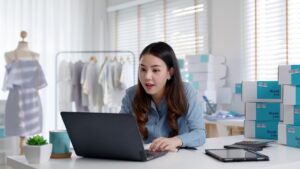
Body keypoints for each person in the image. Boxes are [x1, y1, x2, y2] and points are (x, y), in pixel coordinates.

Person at [120, 42, 205, 152]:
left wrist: (176, 140)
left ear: (169, 73)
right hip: (144, 159)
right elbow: (120, 133)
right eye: (143, 69)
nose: (147, 77)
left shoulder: (186, 92)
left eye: (155, 70)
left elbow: (199, 133)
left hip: (178, 159)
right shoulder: (131, 95)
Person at [3, 31, 47, 155]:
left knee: (30, 130)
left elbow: (39, 82)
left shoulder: (35, 55)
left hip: (32, 99)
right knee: (19, 129)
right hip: (16, 98)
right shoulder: (9, 55)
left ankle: (25, 158)